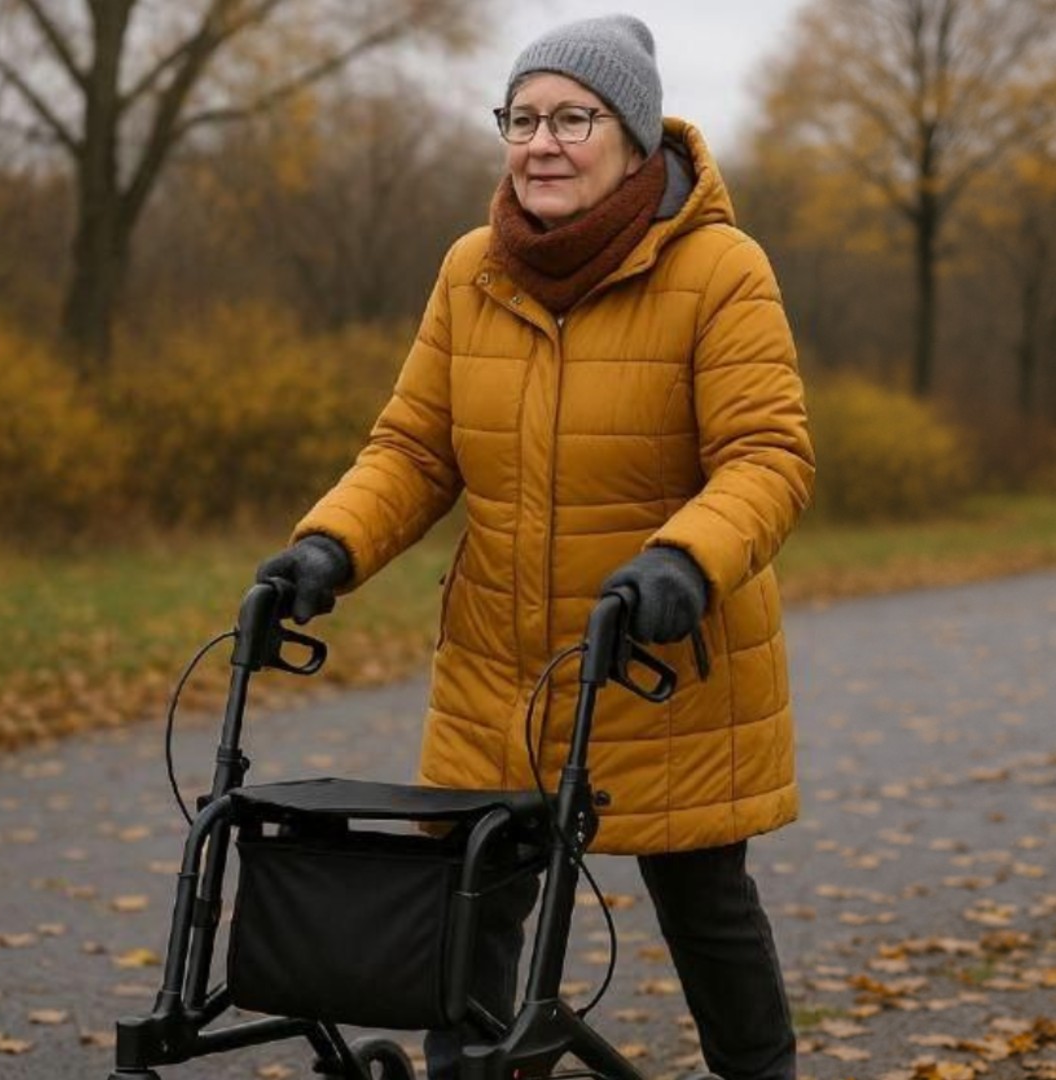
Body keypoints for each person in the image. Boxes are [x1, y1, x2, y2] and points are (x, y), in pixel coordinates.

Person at [257, 14, 815, 1080]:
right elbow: (415, 449)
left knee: (705, 910)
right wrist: (327, 546)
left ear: (634, 137)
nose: (541, 143)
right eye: (522, 119)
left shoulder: (719, 269)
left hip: (661, 662)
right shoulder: (472, 269)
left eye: (572, 118)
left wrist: (684, 562)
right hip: (501, 667)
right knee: (470, 911)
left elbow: (769, 456)